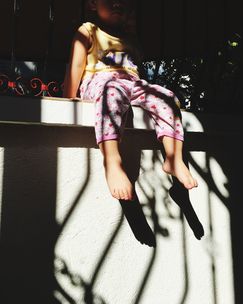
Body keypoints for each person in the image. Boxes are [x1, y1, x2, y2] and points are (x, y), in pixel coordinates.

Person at [63, 0, 198, 201]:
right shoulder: (88, 30)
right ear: (92, 4)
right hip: (101, 82)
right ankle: (112, 160)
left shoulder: (130, 38)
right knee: (112, 91)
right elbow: (76, 65)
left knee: (167, 97)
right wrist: (68, 98)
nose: (118, 3)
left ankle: (174, 158)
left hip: (131, 84)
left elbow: (136, 69)